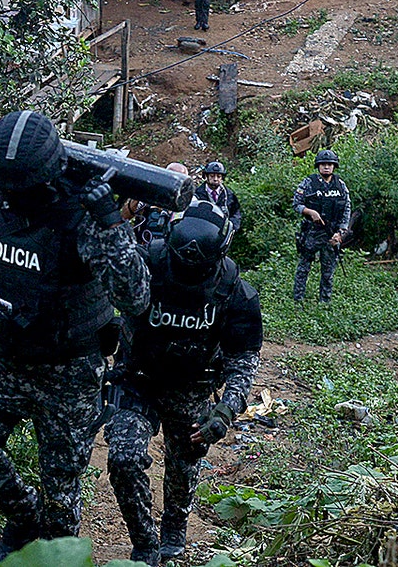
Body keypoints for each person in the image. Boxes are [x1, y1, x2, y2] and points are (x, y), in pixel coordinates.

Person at [0, 110, 151, 563]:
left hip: (67, 371)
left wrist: (112, 224)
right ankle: (24, 521)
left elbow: (135, 297)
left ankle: (51, 550)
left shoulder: (81, 214)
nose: (14, 193)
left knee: (61, 495)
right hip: (5, 358)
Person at [105, 199, 263, 565]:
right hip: (137, 380)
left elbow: (243, 359)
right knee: (124, 458)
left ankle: (174, 525)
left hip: (192, 386)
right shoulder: (147, 264)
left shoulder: (234, 291)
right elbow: (102, 273)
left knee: (185, 459)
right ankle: (145, 542)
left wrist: (226, 410)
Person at [292, 150, 351, 303]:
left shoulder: (340, 185)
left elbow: (346, 209)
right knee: (303, 268)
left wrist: (340, 233)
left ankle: (325, 303)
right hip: (312, 232)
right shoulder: (309, 183)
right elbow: (296, 204)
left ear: (334, 166)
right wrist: (309, 212)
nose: (326, 167)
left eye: (329, 164)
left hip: (331, 234)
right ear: (318, 166)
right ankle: (298, 301)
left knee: (328, 271)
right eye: (323, 164)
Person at [124, 162, 190, 246]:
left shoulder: (190, 202)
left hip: (171, 248)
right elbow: (125, 216)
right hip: (145, 245)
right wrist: (139, 194)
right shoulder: (150, 196)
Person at [194, 161, 241, 232]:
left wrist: (232, 228)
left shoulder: (229, 194)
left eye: (218, 176)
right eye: (212, 176)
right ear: (206, 176)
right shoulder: (197, 194)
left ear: (222, 178)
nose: (215, 179)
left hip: (222, 232)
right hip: (202, 231)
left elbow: (235, 213)